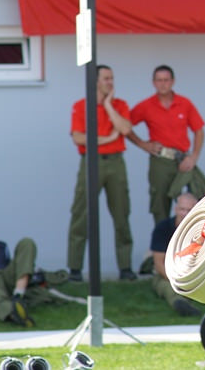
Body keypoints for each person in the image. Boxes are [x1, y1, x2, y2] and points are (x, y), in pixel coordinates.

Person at [67, 65, 147, 283]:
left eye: (112, 78)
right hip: (90, 162)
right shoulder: (81, 106)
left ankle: (125, 267)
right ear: (95, 81)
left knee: (121, 213)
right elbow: (78, 138)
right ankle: (75, 268)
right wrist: (108, 139)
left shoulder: (120, 105)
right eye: (106, 78)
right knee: (80, 214)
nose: (110, 82)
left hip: (115, 163)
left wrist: (109, 105)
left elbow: (125, 129)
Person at [127, 65, 205, 224]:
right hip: (161, 160)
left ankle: (195, 236)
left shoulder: (184, 103)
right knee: (160, 204)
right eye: (159, 80)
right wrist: (143, 144)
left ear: (172, 81)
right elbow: (125, 126)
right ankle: (163, 238)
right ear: (153, 82)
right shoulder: (146, 105)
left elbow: (199, 131)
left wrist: (193, 157)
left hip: (183, 160)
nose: (163, 84)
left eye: (166, 80)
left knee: (198, 197)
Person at [149, 193, 199, 316]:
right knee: (166, 287)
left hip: (194, 272)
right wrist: (178, 282)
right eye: (182, 209)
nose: (185, 214)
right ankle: (180, 304)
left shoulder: (202, 229)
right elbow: (159, 264)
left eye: (189, 210)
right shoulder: (163, 228)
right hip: (168, 274)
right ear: (175, 209)